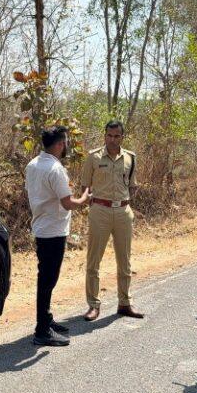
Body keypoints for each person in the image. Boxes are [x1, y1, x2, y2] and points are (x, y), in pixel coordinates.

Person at [25, 125, 90, 346]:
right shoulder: (55, 169)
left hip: (42, 227)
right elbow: (68, 202)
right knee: (47, 280)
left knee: (46, 278)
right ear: (61, 144)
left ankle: (46, 319)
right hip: (53, 230)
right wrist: (84, 198)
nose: (66, 147)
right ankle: (42, 331)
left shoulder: (33, 164)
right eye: (65, 143)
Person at [81, 120, 143, 321]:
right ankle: (93, 305)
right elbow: (85, 185)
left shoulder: (130, 158)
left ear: (122, 137)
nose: (112, 139)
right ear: (104, 135)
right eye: (109, 135)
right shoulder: (93, 157)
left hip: (123, 211)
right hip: (100, 211)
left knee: (125, 261)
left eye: (117, 136)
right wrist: (91, 204)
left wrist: (128, 205)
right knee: (94, 261)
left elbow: (132, 185)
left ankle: (124, 303)